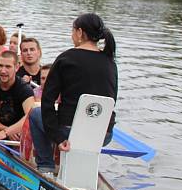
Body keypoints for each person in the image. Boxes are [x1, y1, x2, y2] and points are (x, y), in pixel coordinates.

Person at [27, 13, 118, 174]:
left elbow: (47, 100)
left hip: (70, 131)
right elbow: (112, 100)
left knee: (35, 113)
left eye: (72, 31)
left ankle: (46, 166)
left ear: (80, 33)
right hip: (103, 135)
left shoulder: (66, 58)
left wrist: (58, 137)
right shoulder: (110, 61)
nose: (72, 36)